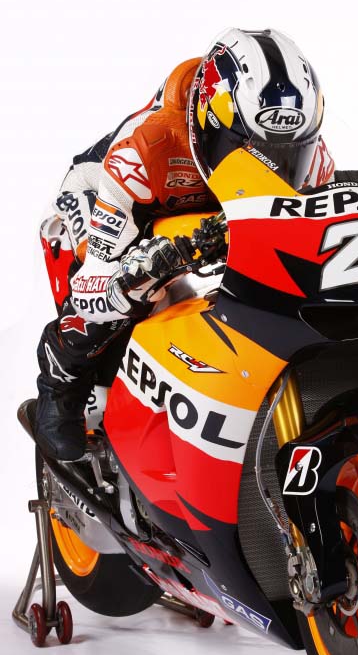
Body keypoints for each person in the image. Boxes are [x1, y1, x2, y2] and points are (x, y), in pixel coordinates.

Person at [34, 28, 334, 461]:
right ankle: (60, 378)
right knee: (123, 293)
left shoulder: (313, 156)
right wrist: (135, 274)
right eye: (252, 151)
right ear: (209, 126)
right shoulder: (144, 152)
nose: (275, 169)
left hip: (207, 214)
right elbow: (92, 288)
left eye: (289, 153)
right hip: (108, 196)